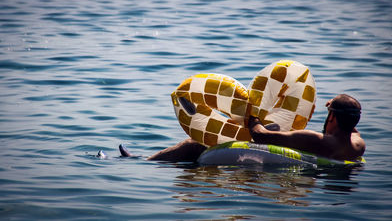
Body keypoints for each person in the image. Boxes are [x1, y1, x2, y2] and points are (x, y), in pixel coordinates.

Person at [121, 94, 365, 162]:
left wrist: (253, 116)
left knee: (194, 145)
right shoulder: (357, 144)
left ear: (332, 116)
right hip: (314, 162)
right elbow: (350, 124)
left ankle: (142, 162)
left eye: (328, 111)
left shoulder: (315, 139)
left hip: (272, 161)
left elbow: (259, 136)